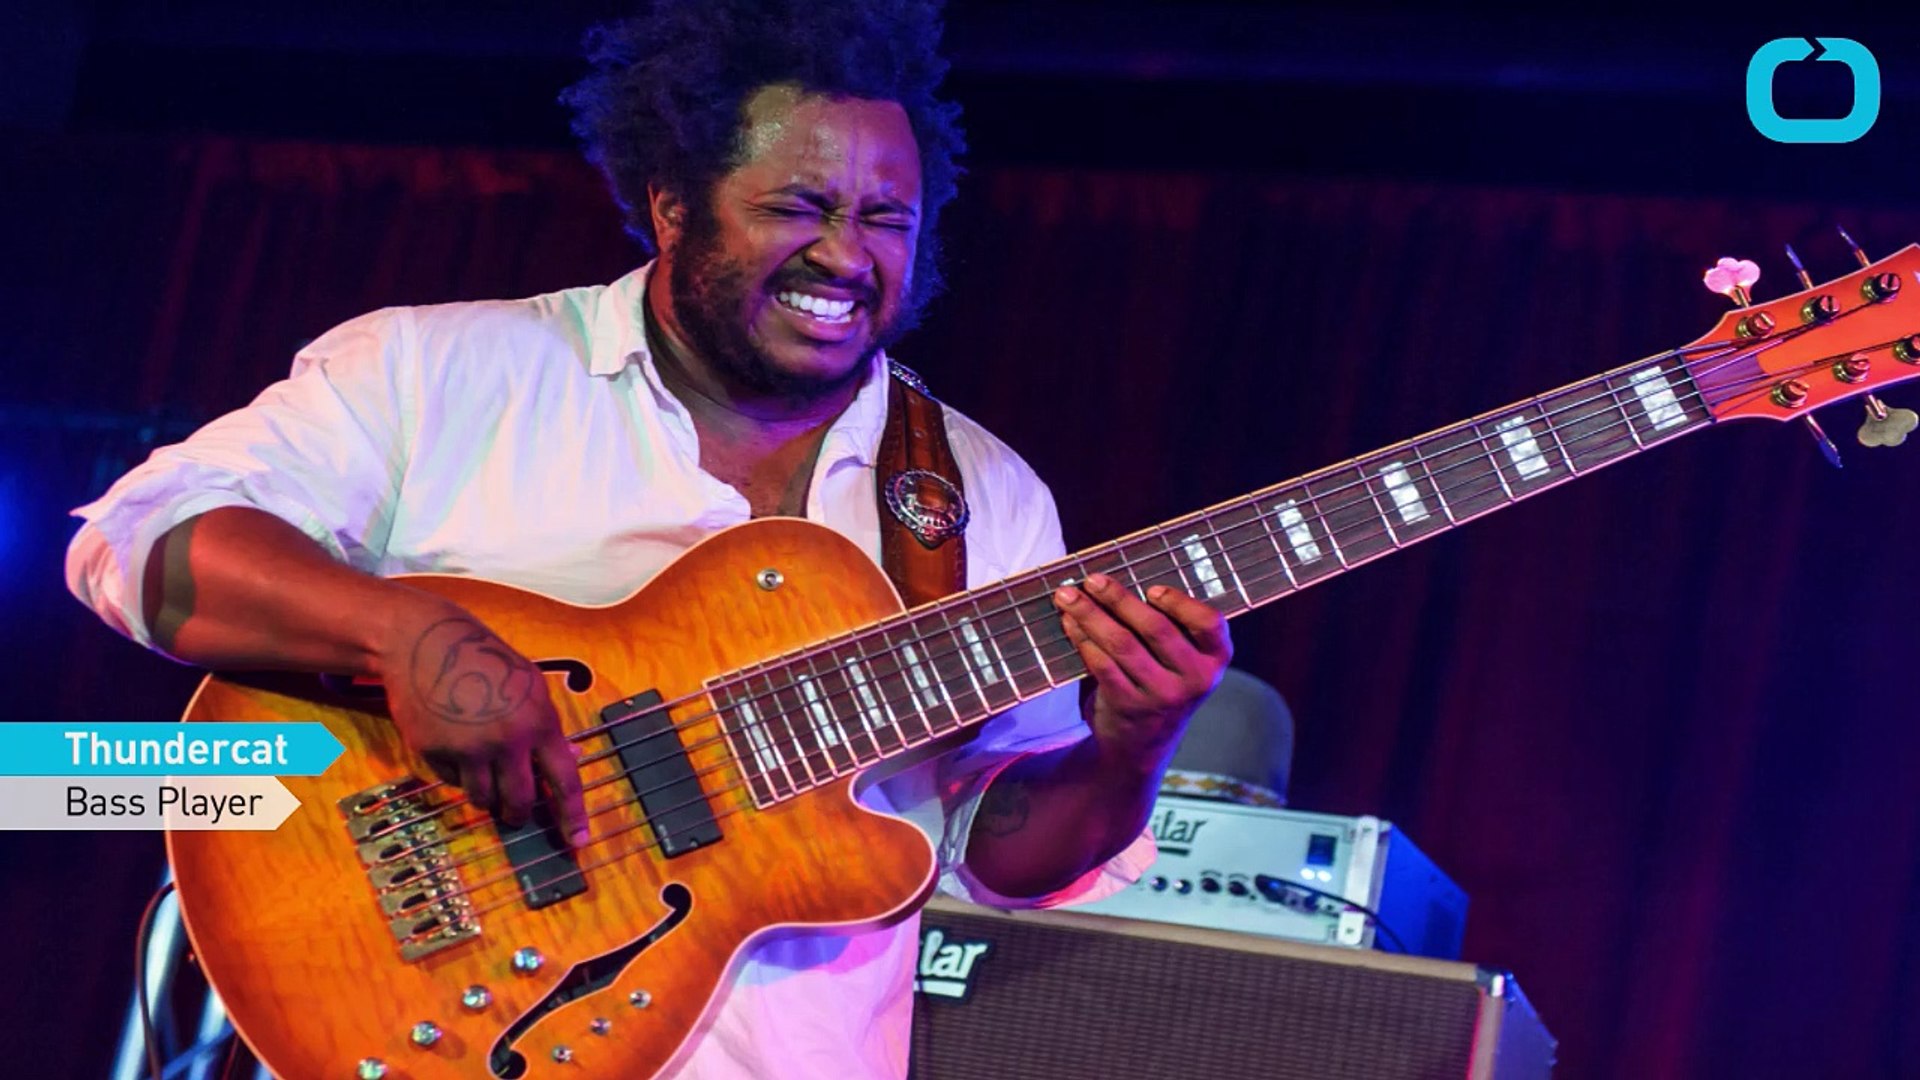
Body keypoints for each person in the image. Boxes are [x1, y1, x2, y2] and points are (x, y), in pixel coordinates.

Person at [65, 1, 1232, 1075]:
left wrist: (1130, 749)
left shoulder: (983, 494)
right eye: (796, 207)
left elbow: (999, 849)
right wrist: (405, 634)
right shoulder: (443, 371)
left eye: (886, 219)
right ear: (673, 202)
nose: (846, 255)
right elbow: (139, 542)